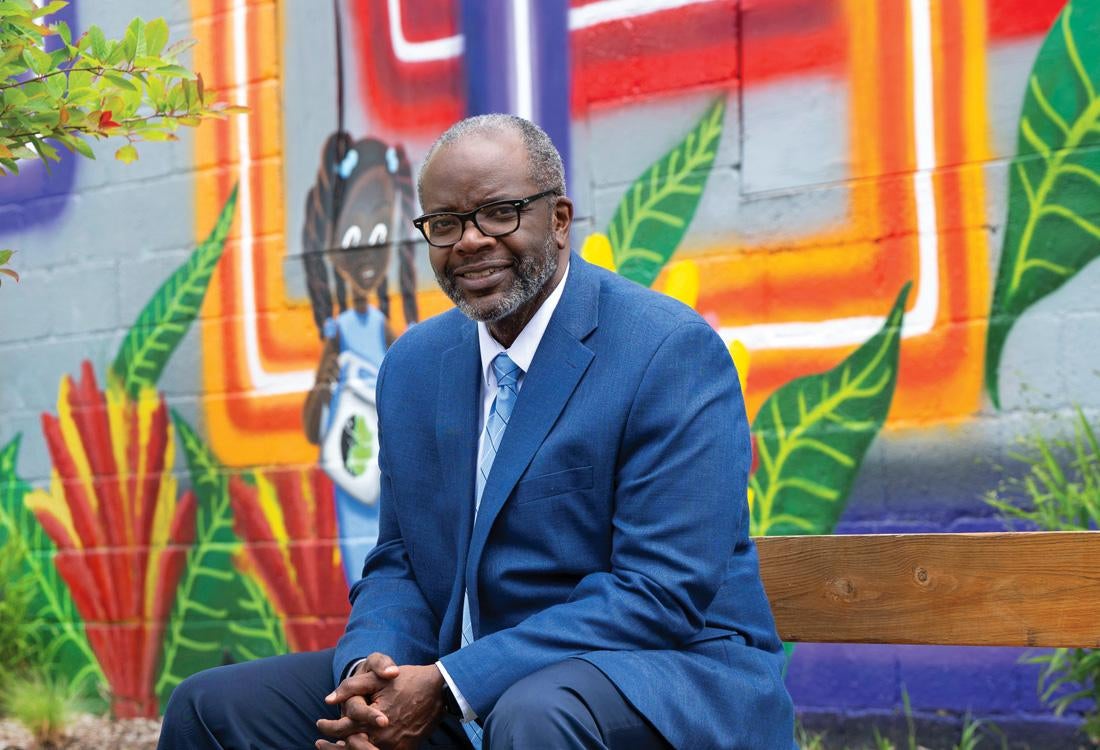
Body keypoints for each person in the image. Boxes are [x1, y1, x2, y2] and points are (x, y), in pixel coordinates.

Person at [158, 114, 795, 750]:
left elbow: (657, 594)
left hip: (662, 681)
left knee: (534, 713)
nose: (469, 241)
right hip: (469, 683)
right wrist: (372, 676)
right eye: (446, 224)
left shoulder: (666, 353)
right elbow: (399, 560)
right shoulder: (413, 366)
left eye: (500, 213)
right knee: (212, 709)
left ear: (561, 219)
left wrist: (452, 682)